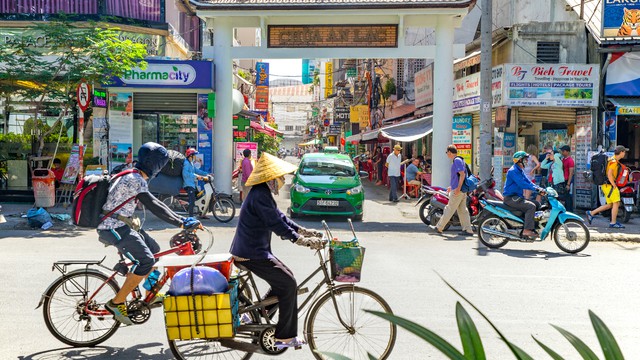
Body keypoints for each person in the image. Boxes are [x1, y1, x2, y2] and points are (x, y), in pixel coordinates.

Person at [97, 142, 201, 325]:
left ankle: (150, 293)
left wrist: (182, 220)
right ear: (155, 164)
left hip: (122, 224)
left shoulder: (131, 173)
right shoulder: (135, 179)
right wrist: (181, 222)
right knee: (146, 261)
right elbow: (155, 206)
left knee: (154, 249)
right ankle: (116, 302)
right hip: (112, 227)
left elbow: (157, 204)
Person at [229, 152, 324, 350]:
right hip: (251, 253)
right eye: (280, 178)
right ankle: (285, 337)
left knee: (285, 278)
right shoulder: (260, 195)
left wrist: (304, 231)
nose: (282, 181)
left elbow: (281, 218)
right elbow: (276, 225)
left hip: (254, 250)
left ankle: (256, 313)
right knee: (288, 284)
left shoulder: (261, 192)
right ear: (270, 178)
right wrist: (302, 241)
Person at [429, 145, 474, 235]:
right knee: (463, 210)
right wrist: (452, 186)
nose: (447, 155)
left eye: (447, 153)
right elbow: (458, 176)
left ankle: (439, 227)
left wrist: (457, 188)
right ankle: (468, 229)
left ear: (449, 152)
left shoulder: (456, 160)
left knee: (449, 209)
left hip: (458, 190)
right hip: (462, 190)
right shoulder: (460, 160)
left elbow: (462, 175)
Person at [503, 151, 545, 238]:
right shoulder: (513, 171)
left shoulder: (519, 170)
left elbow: (528, 182)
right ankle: (526, 230)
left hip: (517, 197)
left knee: (537, 204)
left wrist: (540, 189)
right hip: (511, 198)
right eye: (525, 159)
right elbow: (522, 184)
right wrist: (536, 189)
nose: (526, 161)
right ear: (519, 160)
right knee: (531, 206)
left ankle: (533, 227)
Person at [586, 145, 629, 229]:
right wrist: (614, 185)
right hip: (610, 185)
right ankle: (613, 222)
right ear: (621, 152)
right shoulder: (613, 161)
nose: (625, 153)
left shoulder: (611, 159)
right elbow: (609, 174)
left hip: (606, 185)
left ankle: (591, 213)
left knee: (610, 205)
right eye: (624, 152)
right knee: (616, 203)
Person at [182, 148, 209, 218]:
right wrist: (196, 176)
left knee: (200, 197)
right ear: (190, 156)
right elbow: (185, 173)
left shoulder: (190, 163)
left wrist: (207, 174)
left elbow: (196, 171)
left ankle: (201, 214)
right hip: (188, 185)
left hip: (192, 184)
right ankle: (191, 217)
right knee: (192, 200)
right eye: (194, 155)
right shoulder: (186, 163)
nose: (195, 157)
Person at [559, 145, 575, 212]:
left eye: (563, 151)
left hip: (567, 180)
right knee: (565, 196)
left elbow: (571, 173)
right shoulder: (563, 159)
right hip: (563, 179)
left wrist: (568, 184)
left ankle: (569, 211)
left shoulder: (570, 160)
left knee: (568, 196)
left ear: (567, 152)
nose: (562, 152)